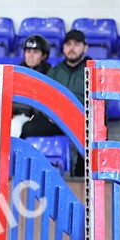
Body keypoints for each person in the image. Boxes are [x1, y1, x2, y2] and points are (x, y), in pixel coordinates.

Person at [21, 28, 89, 175]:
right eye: (68, 44)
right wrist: (48, 115)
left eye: (76, 44)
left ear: (85, 47)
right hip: (56, 121)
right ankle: (25, 170)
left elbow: (100, 103)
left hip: (81, 120)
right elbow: (41, 99)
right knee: (28, 128)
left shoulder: (93, 70)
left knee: (90, 136)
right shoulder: (55, 72)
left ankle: (81, 180)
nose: (72, 48)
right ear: (63, 47)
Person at [0, 34, 52, 137]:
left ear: (44, 56)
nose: (31, 55)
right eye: (28, 51)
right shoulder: (15, 72)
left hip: (30, 116)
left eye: (36, 52)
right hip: (9, 113)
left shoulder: (49, 74)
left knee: (15, 127)